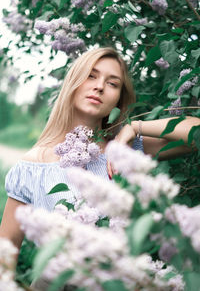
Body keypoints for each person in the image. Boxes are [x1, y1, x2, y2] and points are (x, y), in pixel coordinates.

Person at [0, 46, 199, 255]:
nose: (100, 87)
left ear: (118, 99)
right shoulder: (32, 167)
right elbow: (6, 249)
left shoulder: (126, 150)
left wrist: (134, 127)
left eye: (112, 83)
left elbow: (195, 134)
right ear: (73, 83)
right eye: (91, 76)